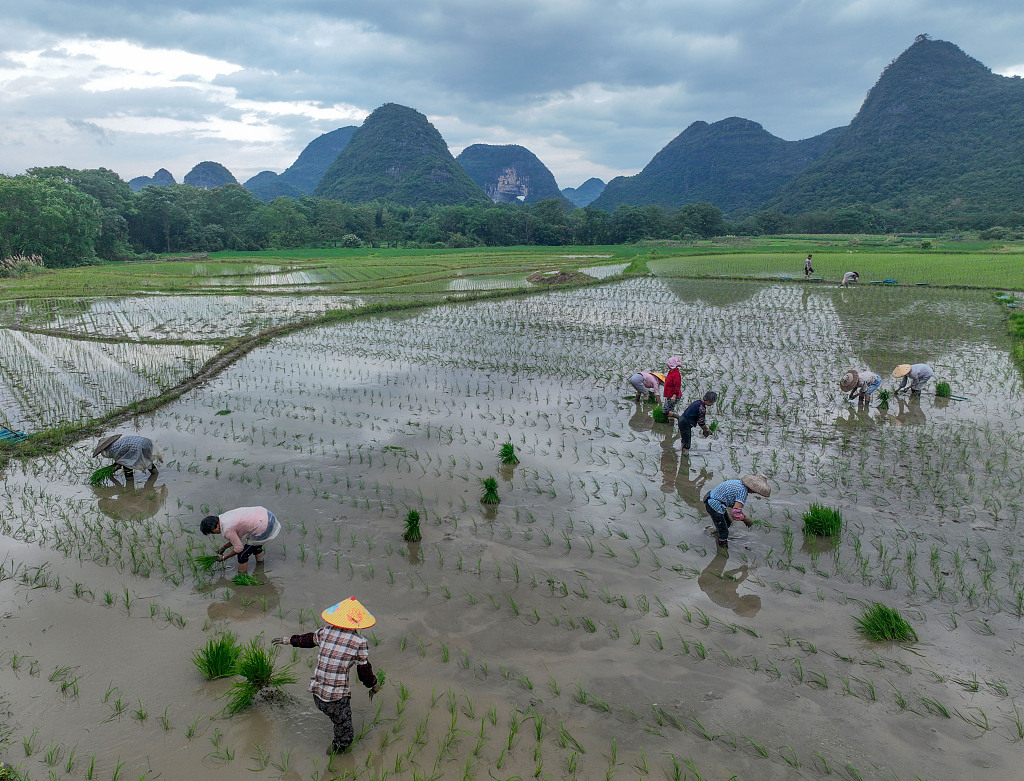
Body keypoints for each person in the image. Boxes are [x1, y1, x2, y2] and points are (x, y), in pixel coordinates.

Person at [272, 597, 381, 755]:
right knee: (345, 734)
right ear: (358, 622)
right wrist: (374, 684)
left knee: (335, 717)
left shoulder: (325, 631)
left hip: (317, 694)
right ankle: (335, 757)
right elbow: (364, 671)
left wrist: (289, 640)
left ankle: (336, 737)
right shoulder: (359, 642)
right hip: (336, 697)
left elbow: (307, 639)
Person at [200, 506, 281, 574]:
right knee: (256, 546)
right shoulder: (223, 517)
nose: (213, 533)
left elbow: (239, 548)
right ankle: (260, 565)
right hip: (266, 514)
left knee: (242, 555)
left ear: (215, 527)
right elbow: (236, 538)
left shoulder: (226, 529)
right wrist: (224, 548)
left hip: (263, 525)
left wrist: (224, 558)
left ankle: (242, 575)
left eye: (212, 532)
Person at [703, 474, 771, 550]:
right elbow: (735, 514)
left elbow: (734, 505)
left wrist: (742, 515)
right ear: (753, 488)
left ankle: (716, 533)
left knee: (727, 523)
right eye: (755, 491)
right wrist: (746, 520)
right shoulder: (742, 492)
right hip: (714, 506)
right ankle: (722, 550)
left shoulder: (738, 483)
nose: (754, 493)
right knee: (724, 533)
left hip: (712, 500)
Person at [93, 434, 162, 477]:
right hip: (146, 442)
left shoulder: (111, 450)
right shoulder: (118, 443)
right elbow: (120, 461)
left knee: (127, 465)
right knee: (147, 459)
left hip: (136, 447)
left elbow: (122, 462)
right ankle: (155, 474)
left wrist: (113, 470)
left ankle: (130, 483)